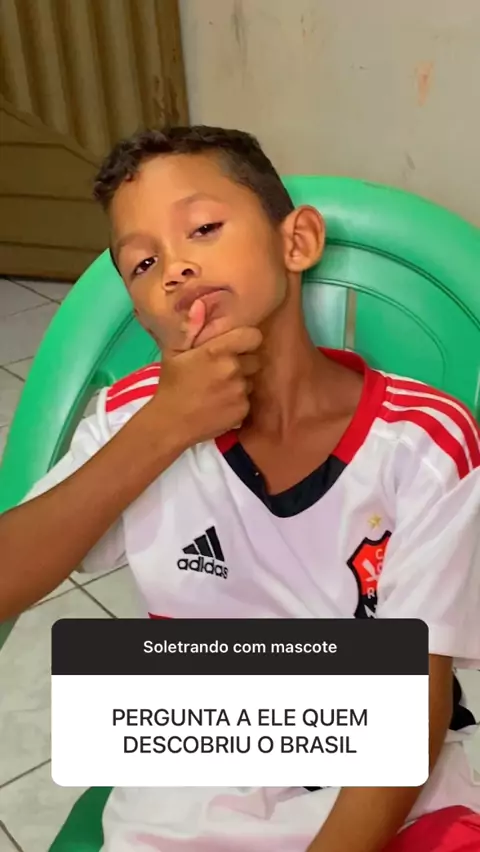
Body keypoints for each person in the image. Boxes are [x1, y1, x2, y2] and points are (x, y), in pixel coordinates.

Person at [1, 126, 479, 851]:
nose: (176, 268)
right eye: (142, 263)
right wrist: (164, 430)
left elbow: (414, 709)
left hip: (395, 791)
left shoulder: (424, 443)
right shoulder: (131, 422)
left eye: (203, 228)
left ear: (297, 242)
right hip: (188, 788)